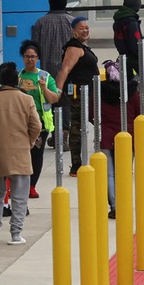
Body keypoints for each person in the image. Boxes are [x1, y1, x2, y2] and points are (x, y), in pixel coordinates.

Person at [0, 62, 41, 245]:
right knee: (19, 195)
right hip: (20, 152)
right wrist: (28, 142)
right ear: (16, 80)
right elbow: (36, 126)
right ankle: (15, 233)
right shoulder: (26, 100)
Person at [91, 60, 139, 219]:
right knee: (124, 173)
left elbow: (92, 112)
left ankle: (114, 206)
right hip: (128, 136)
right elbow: (140, 112)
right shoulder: (132, 90)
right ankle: (123, 204)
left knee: (109, 175)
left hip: (105, 135)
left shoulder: (99, 90)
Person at [55, 16, 100, 176]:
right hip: (79, 94)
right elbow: (64, 69)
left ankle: (85, 161)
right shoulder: (74, 48)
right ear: (73, 31)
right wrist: (57, 92)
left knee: (83, 125)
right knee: (77, 127)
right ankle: (76, 165)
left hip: (88, 93)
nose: (85, 30)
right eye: (81, 28)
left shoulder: (82, 46)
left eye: (87, 27)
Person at [32, 0, 73, 149]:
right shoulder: (72, 22)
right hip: (68, 72)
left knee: (47, 103)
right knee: (66, 102)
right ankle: (63, 135)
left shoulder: (40, 23)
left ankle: (50, 134)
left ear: (50, 3)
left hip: (45, 73)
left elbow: (34, 50)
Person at [17, 39, 59, 199]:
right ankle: (22, 184)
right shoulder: (18, 77)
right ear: (22, 57)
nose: (30, 59)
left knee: (36, 155)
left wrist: (43, 88)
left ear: (38, 58)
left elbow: (54, 98)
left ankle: (32, 186)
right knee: (21, 155)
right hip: (20, 123)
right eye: (27, 56)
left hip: (40, 123)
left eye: (33, 56)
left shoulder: (45, 77)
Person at [113, 0, 144, 79]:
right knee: (134, 86)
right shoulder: (131, 22)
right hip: (133, 61)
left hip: (123, 58)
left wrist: (140, 38)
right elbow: (135, 46)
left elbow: (125, 38)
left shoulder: (120, 18)